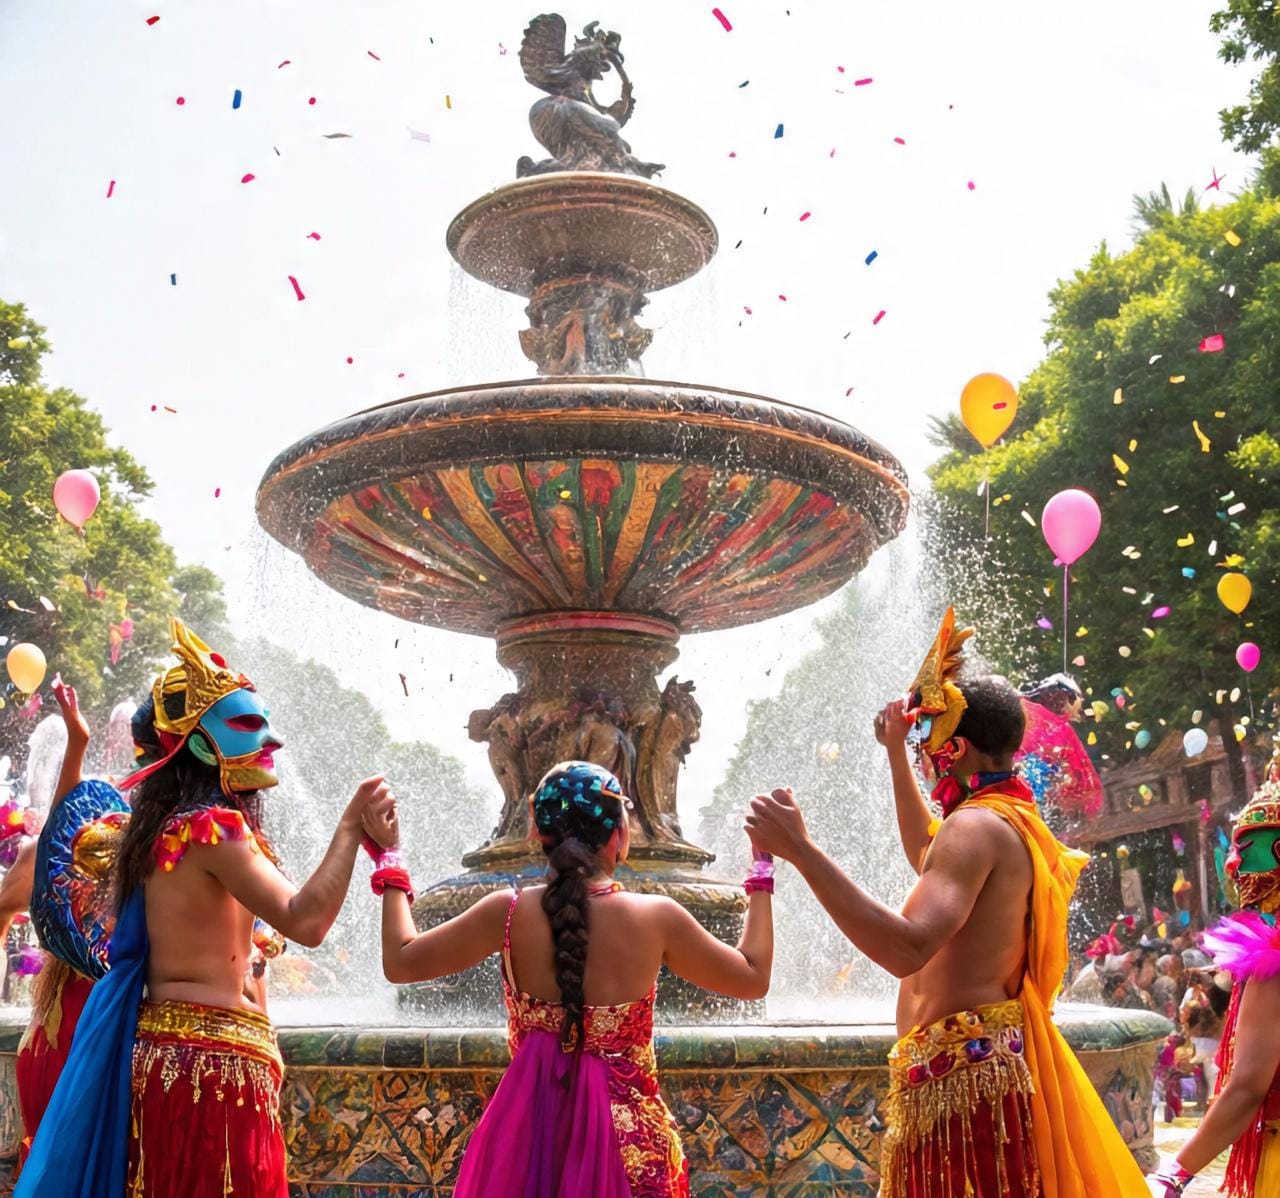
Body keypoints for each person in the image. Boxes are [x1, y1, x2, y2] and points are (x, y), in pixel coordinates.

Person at [745, 607, 1148, 1198]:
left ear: (954, 746)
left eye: (924, 738)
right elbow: (925, 852)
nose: (919, 751)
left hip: (965, 1082)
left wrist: (801, 852)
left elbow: (906, 947)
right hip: (964, 1074)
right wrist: (890, 756)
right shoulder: (1001, 820)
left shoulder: (977, 828)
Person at [16, 619, 391, 1198]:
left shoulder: (157, 835)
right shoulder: (215, 830)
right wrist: (347, 828)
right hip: (213, 1069)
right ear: (197, 741)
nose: (271, 740)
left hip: (164, 1060)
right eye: (247, 724)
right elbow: (308, 921)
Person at [365, 759, 774, 1197]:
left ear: (536, 832)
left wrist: (389, 857)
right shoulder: (657, 918)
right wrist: (762, 870)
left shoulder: (506, 912)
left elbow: (401, 961)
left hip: (527, 1141)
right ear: (619, 834)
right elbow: (752, 977)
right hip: (630, 1148)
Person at [1149, 750, 1280, 1197]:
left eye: (1247, 848)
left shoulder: (1273, 960)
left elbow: (1246, 1087)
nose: (1234, 865)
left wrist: (1174, 1173)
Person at [14, 676, 127, 1170]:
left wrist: (77, 744)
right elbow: (61, 835)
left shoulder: (72, 943)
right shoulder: (108, 938)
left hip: (55, 1034)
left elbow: (61, 834)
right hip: (73, 1037)